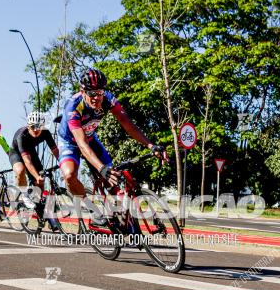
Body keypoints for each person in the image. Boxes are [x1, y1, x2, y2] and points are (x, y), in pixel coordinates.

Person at [57, 68, 166, 223]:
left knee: (113, 177)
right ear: (82, 92)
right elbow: (81, 145)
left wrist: (150, 145)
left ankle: (119, 214)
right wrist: (101, 168)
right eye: (92, 93)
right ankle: (91, 208)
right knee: (69, 175)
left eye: (100, 92)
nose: (96, 97)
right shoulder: (73, 107)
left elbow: (128, 125)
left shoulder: (108, 99)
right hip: (71, 142)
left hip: (90, 138)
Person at [10, 111, 60, 208]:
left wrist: (62, 163)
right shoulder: (22, 136)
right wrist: (36, 176)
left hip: (30, 151)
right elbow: (27, 162)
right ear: (28, 126)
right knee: (21, 170)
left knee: (40, 181)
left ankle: (40, 206)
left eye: (39, 126)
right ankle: (24, 195)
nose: (36, 130)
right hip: (16, 153)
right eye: (33, 127)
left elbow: (55, 150)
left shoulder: (45, 132)